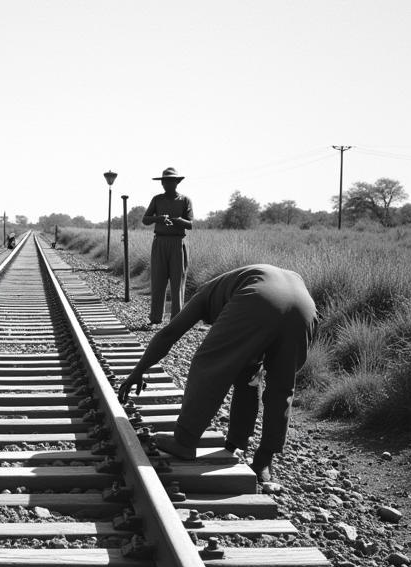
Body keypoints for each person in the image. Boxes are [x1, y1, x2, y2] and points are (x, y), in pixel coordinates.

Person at [117, 264, 318, 483]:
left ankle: (184, 441)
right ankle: (260, 460)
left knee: (208, 363)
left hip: (258, 300)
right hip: (305, 308)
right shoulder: (239, 283)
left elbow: (169, 333)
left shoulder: (205, 294)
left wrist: (138, 370)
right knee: (275, 384)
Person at [142, 167, 193, 327]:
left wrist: (179, 220)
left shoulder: (185, 200)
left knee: (178, 282)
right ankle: (156, 318)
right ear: (162, 183)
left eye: (171, 181)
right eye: (165, 181)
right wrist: (158, 219)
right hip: (160, 243)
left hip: (178, 243)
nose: (167, 184)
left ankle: (176, 320)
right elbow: (145, 219)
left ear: (177, 182)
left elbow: (190, 224)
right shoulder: (157, 199)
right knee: (158, 280)